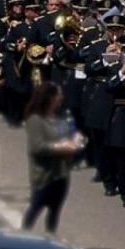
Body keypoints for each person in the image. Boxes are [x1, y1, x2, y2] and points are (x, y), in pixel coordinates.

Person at [22, 82, 83, 234]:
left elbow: (69, 135)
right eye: (58, 95)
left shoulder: (61, 116)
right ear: (49, 98)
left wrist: (76, 140)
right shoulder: (35, 120)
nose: (61, 97)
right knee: (35, 209)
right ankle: (21, 239)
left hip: (61, 174)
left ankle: (51, 240)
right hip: (44, 175)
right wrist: (61, 147)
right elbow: (37, 147)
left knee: (54, 212)